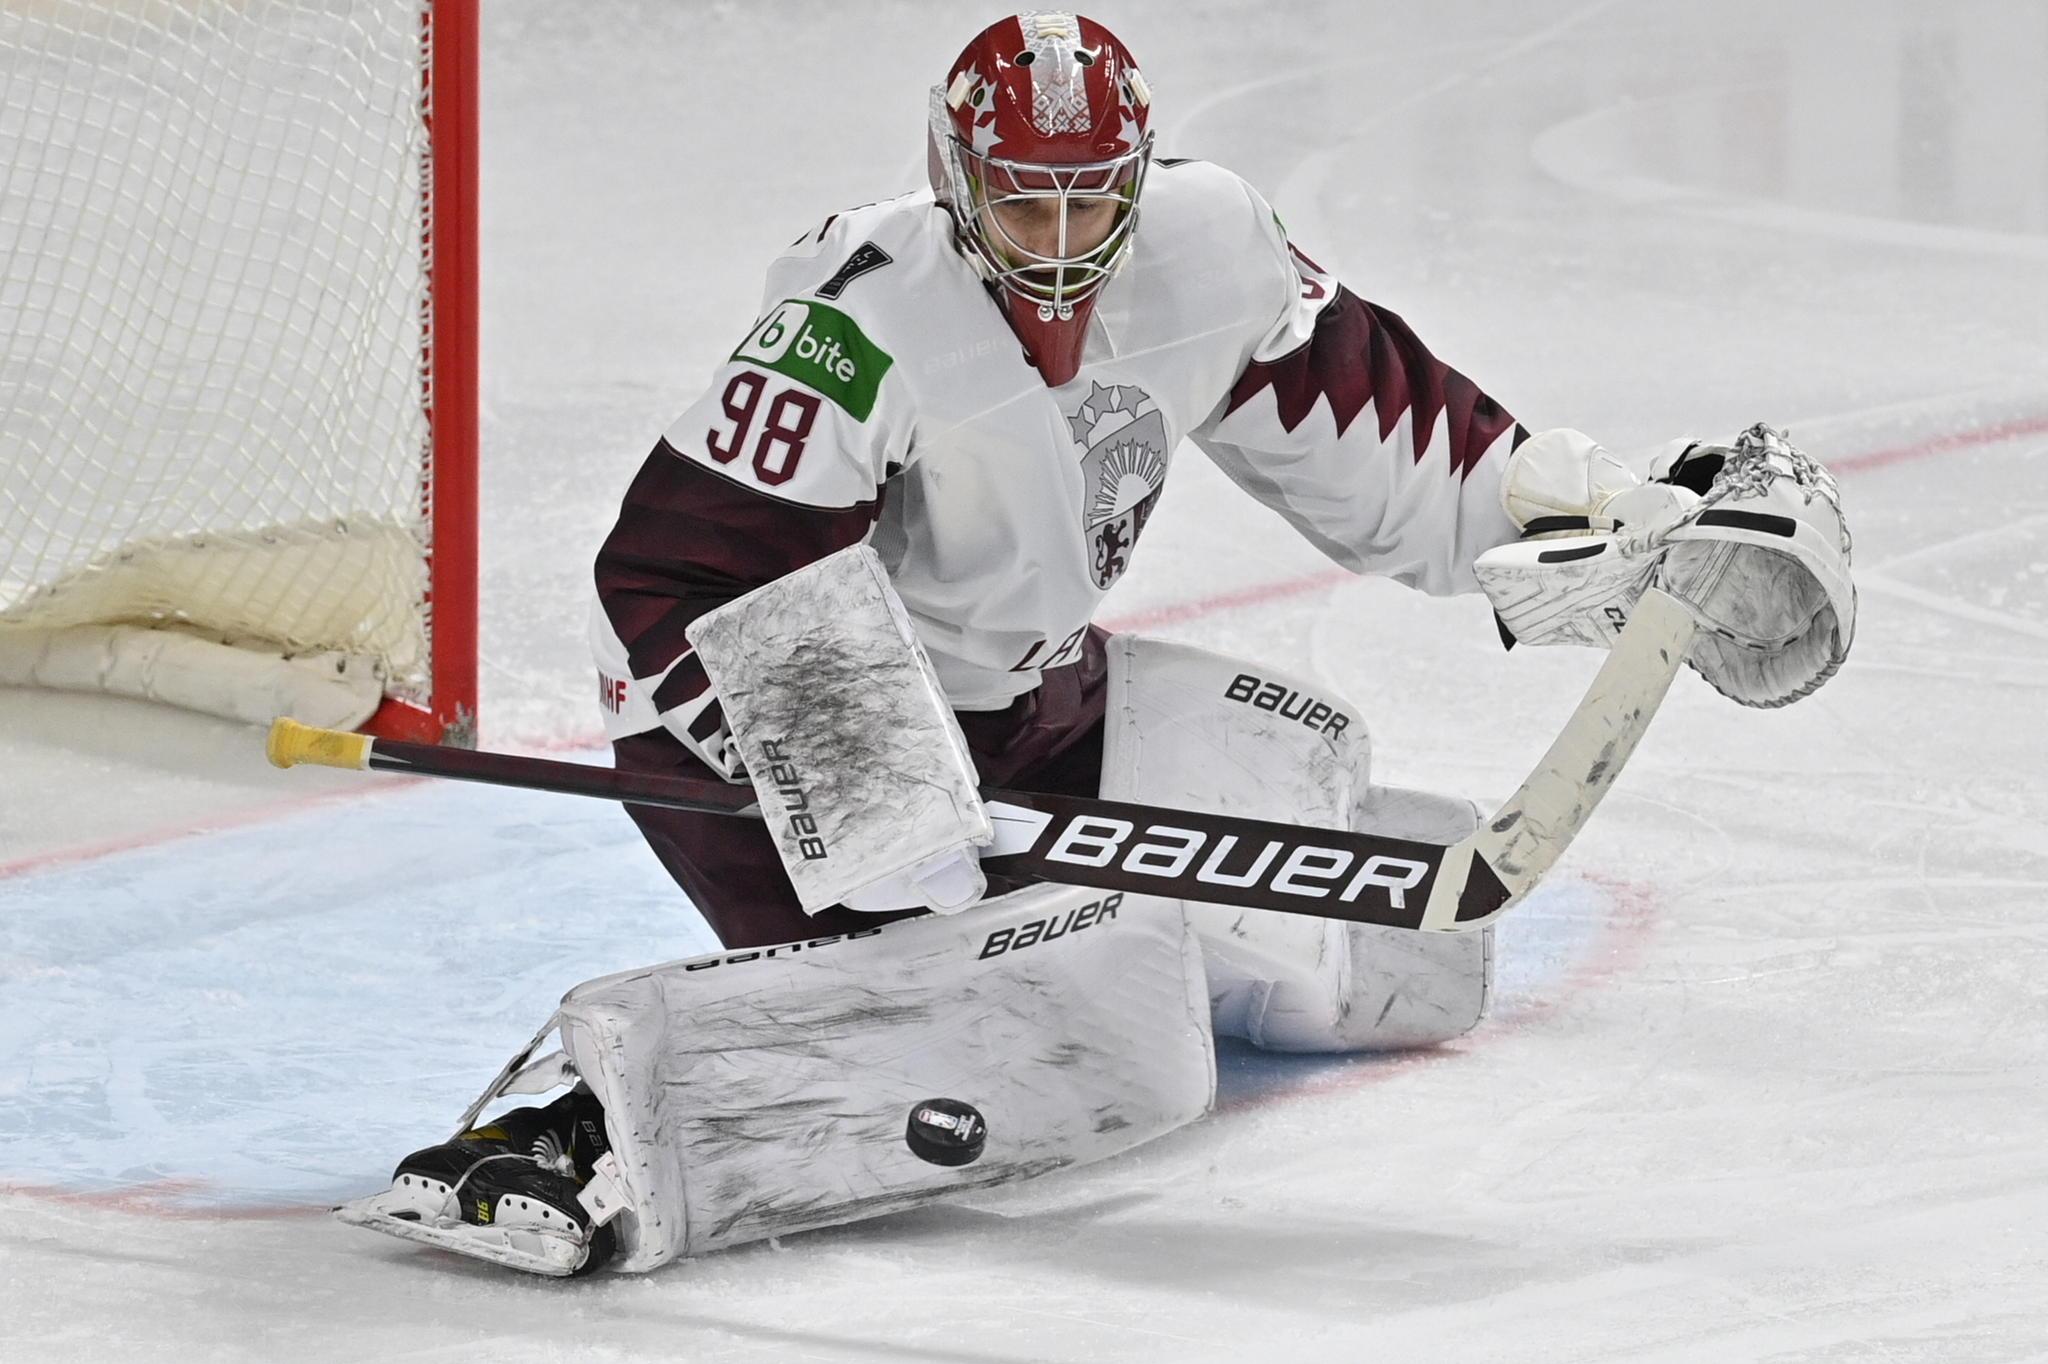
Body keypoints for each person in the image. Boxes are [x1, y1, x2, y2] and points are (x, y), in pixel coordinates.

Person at [344, 12, 1853, 1277]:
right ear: (955, 186)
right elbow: (674, 574)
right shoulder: (856, 318)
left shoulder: (1211, 250)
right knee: (1077, 1029)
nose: (1058, 249)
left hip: (1031, 708)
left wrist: (1621, 522)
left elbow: (1392, 449)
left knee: (1358, 909)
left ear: (1135, 183)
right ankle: (579, 1125)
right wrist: (879, 803)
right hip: (749, 744)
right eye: (1021, 208)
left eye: (1086, 205)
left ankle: (978, 923)